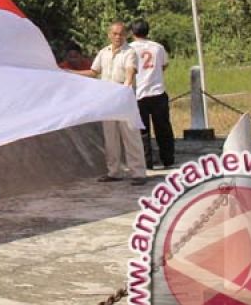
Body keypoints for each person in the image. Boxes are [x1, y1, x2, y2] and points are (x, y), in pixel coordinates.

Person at [69, 21, 147, 186]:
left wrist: (126, 88)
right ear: (109, 35)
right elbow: (94, 72)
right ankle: (114, 171)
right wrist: (71, 73)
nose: (118, 37)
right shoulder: (104, 52)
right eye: (115, 34)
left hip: (124, 98)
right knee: (110, 137)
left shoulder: (129, 52)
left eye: (121, 34)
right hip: (108, 99)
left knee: (130, 136)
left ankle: (138, 172)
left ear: (125, 35)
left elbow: (130, 71)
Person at [130, 19, 175, 169]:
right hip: (157, 91)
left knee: (142, 130)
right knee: (163, 128)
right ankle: (168, 159)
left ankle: (146, 161)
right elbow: (164, 65)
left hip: (138, 93)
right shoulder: (158, 47)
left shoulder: (129, 49)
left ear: (132, 33)